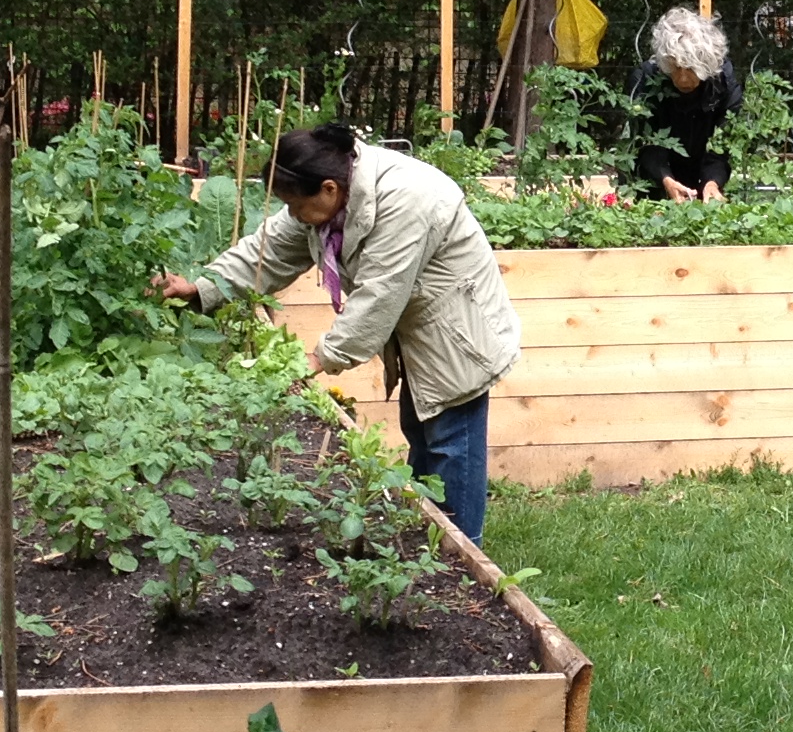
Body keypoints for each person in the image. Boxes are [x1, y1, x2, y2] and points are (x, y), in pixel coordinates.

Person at [154, 124, 519, 542]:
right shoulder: (333, 193)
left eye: (295, 204)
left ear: (328, 189)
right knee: (422, 436)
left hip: (458, 335)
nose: (293, 213)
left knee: (451, 447)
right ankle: (428, 547)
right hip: (420, 333)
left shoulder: (406, 199)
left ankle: (463, 554)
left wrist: (316, 360)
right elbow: (269, 250)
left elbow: (380, 295)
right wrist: (203, 287)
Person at [630, 9, 741, 201]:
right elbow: (644, 142)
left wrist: (712, 182)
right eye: (675, 67)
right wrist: (665, 178)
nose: (682, 79)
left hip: (703, 174)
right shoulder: (646, 79)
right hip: (654, 184)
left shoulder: (724, 83)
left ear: (707, 63)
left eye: (691, 68)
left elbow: (723, 144)